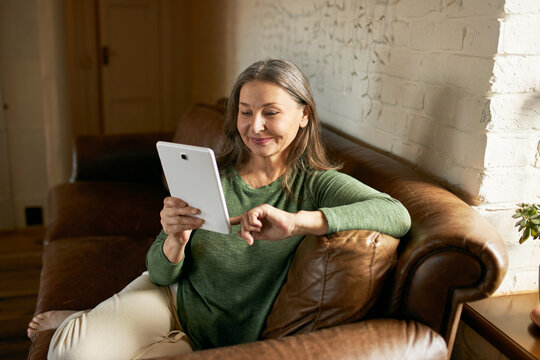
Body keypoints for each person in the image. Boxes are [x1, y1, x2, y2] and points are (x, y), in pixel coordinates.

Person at [27, 59, 411, 359]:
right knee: (69, 353)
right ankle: (87, 324)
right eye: (245, 111)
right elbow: (160, 274)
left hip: (215, 337)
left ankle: (86, 319)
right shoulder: (215, 176)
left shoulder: (314, 184)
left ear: (304, 115)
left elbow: (396, 213)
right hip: (168, 299)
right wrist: (174, 238)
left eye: (270, 112)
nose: (255, 125)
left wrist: (298, 223)